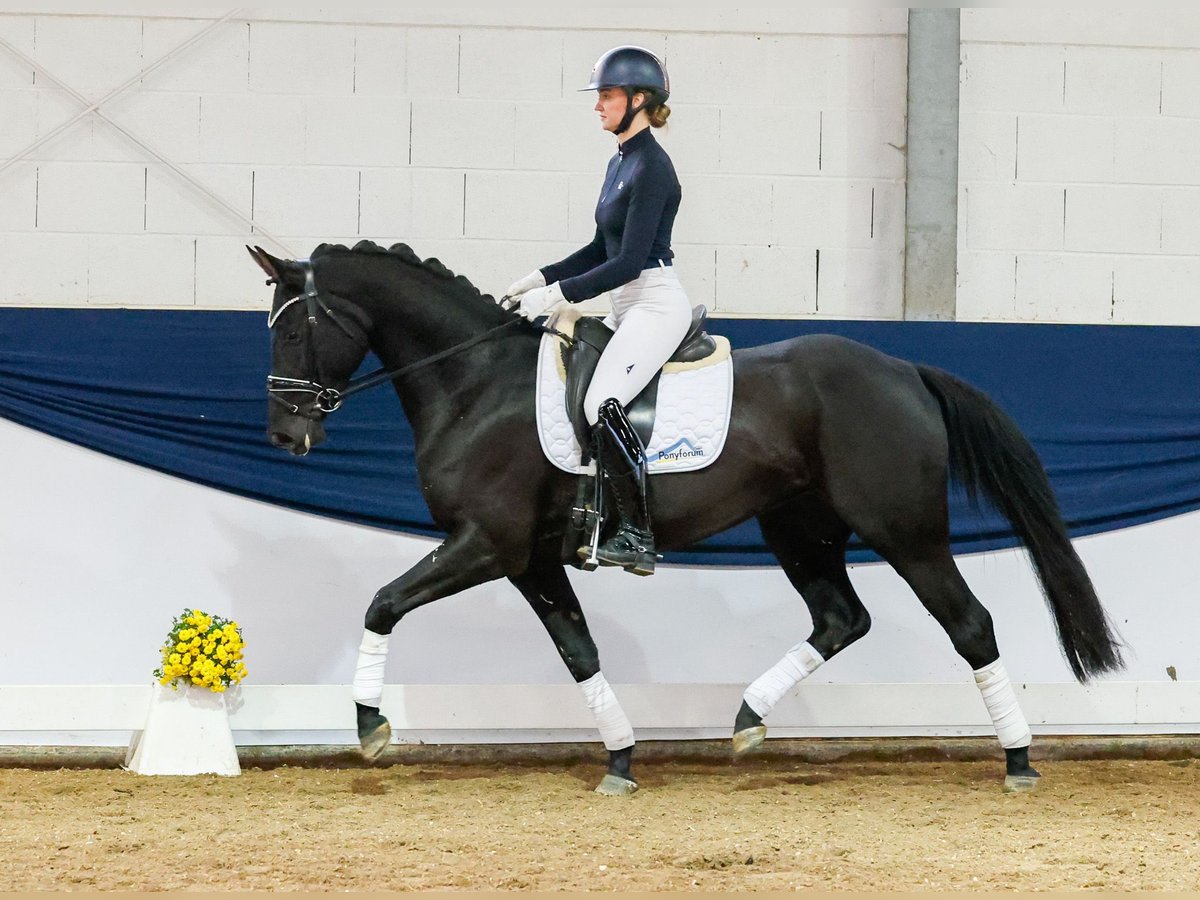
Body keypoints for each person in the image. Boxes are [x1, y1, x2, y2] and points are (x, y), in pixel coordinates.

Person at [503, 45, 690, 577]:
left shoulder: (653, 166)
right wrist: (538, 279)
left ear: (638, 100)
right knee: (570, 387)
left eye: (607, 95)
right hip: (625, 305)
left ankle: (636, 534)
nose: (598, 105)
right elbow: (597, 250)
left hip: (653, 303)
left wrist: (558, 297)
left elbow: (628, 262)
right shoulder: (620, 162)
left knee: (602, 402)